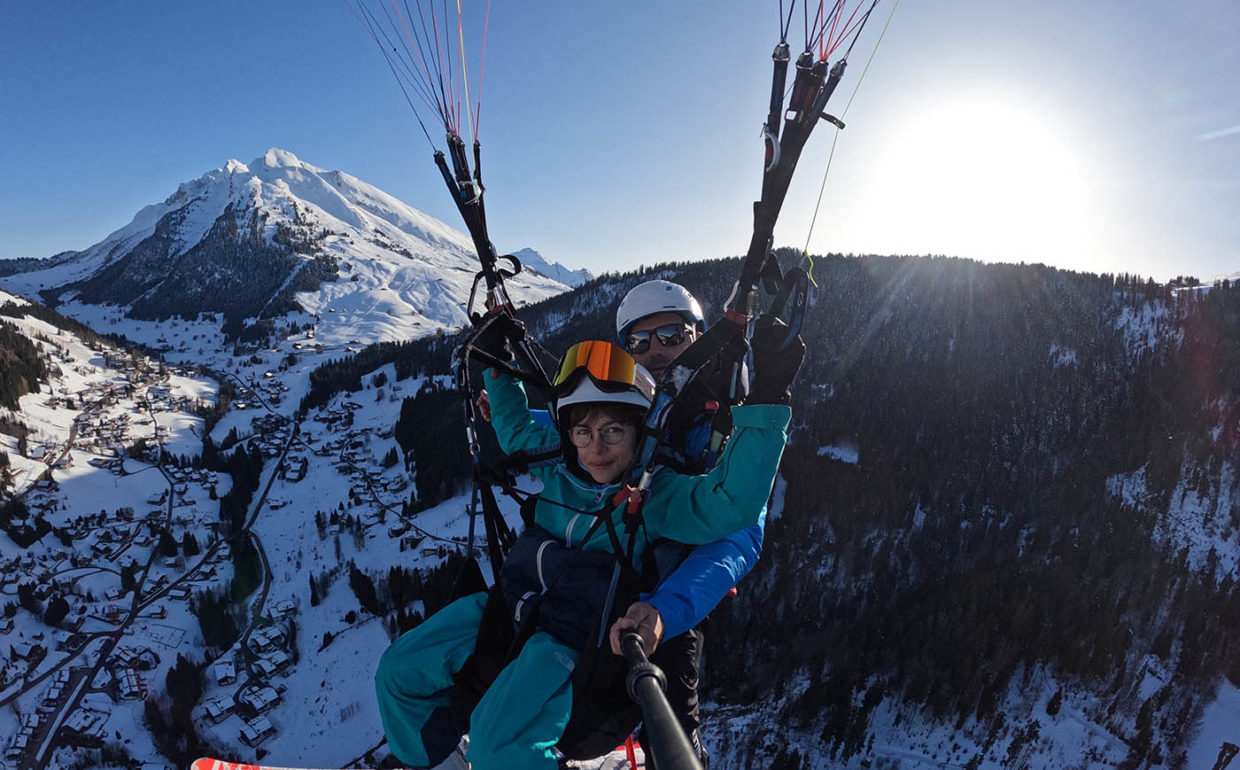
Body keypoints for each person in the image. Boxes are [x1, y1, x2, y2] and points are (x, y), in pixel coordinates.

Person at [375, 338, 794, 770]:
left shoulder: (657, 495)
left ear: (639, 433)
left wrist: (767, 403)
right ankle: (422, 757)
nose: (596, 447)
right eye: (583, 431)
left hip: (567, 639)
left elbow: (729, 503)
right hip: (507, 607)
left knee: (498, 745)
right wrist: (499, 364)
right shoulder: (560, 467)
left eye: (613, 430)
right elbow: (516, 429)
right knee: (397, 672)